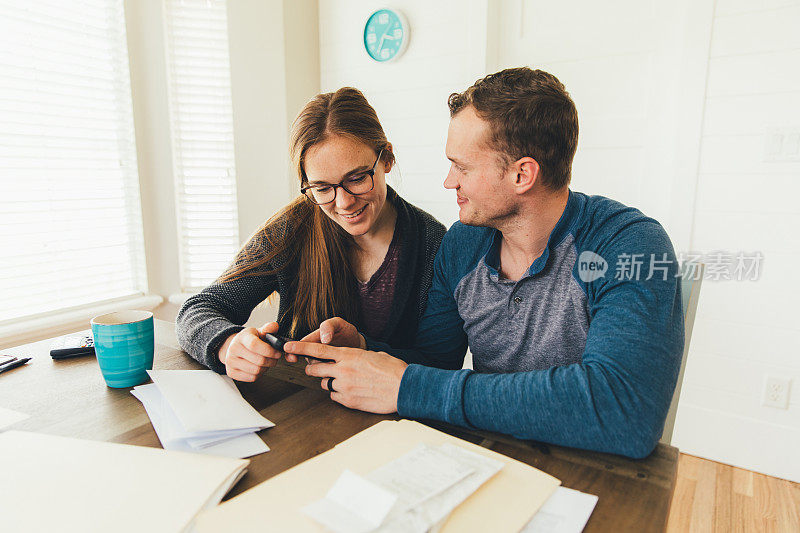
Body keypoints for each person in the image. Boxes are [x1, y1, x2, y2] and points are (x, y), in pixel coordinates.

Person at [284, 68, 685, 459]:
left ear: (522, 174)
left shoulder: (630, 243)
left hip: (595, 473)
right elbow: (436, 363)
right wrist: (368, 350)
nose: (448, 181)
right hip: (489, 457)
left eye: (462, 167)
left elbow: (624, 412)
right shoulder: (462, 245)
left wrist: (410, 388)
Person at [176, 87, 446, 382]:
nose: (343, 203)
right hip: (299, 412)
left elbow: (440, 366)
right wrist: (227, 345)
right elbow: (198, 310)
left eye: (356, 178)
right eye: (322, 188)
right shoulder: (290, 230)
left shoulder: (433, 244)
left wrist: (362, 348)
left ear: (387, 159)